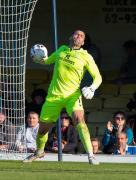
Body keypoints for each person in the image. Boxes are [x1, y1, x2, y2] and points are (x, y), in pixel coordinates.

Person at [24, 30, 102, 165]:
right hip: (54, 96)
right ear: (71, 37)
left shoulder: (86, 56)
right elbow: (47, 61)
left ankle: (91, 155)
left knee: (79, 120)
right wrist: (39, 59)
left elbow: (98, 77)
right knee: (42, 129)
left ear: (83, 42)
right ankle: (39, 152)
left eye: (81, 36)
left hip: (73, 95)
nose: (78, 36)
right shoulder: (61, 50)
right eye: (76, 34)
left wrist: (92, 88)